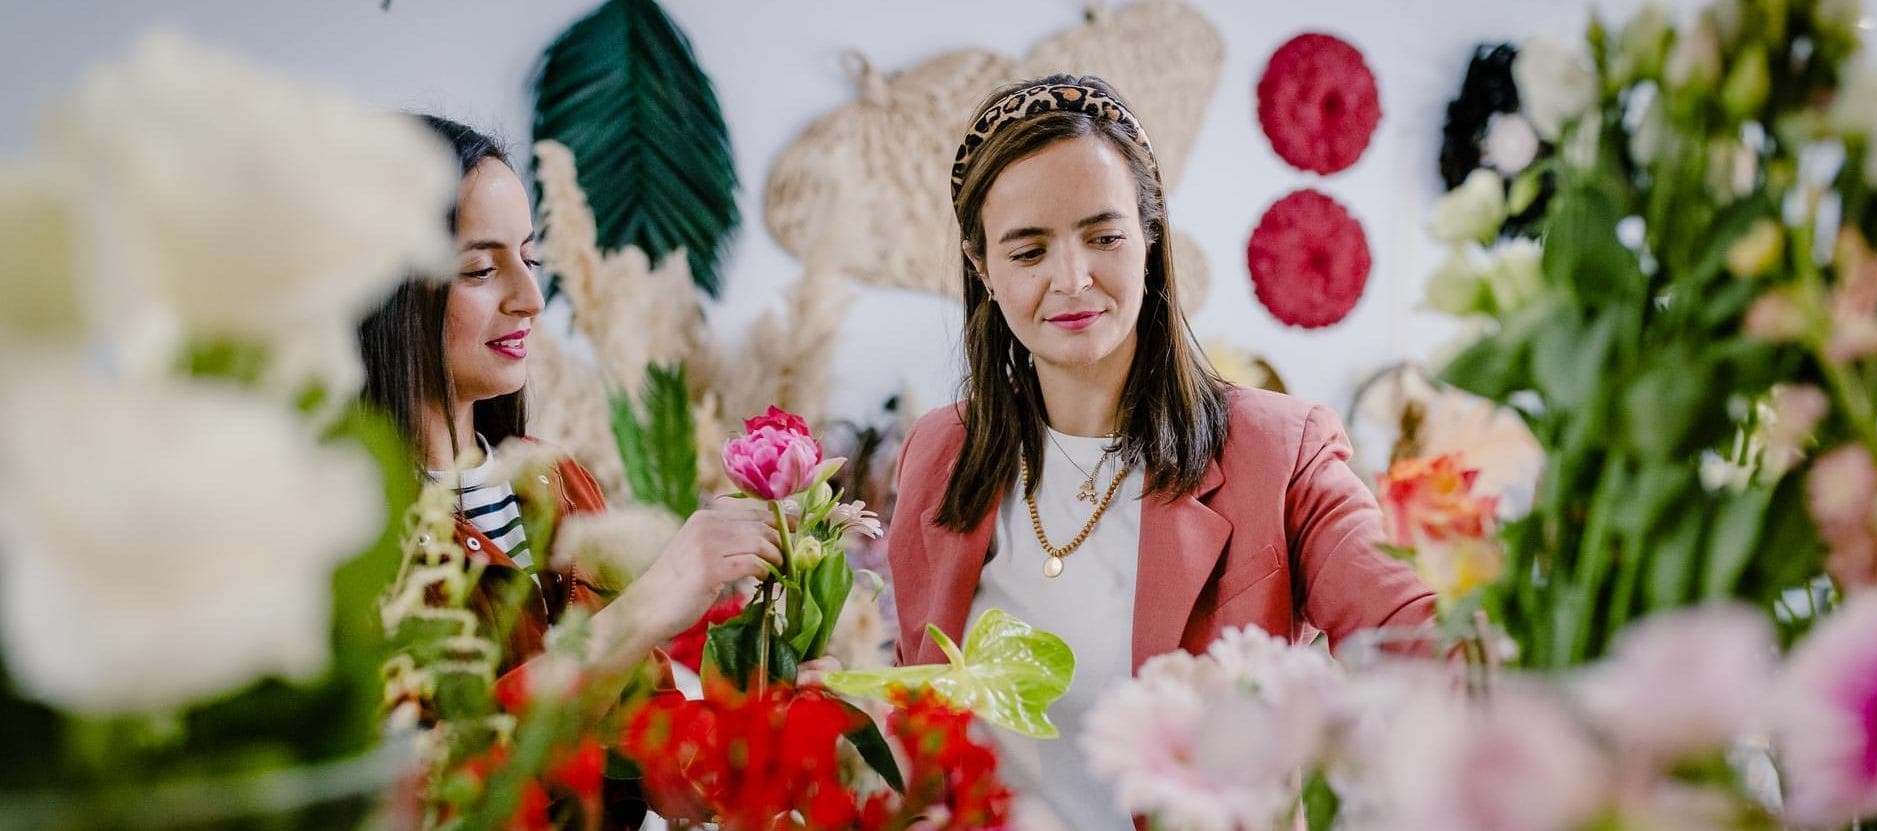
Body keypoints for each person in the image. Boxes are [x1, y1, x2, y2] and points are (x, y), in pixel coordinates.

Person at [884, 76, 1436, 828]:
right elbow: (911, 706)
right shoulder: (936, 450)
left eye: (1104, 236)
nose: (1072, 278)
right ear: (983, 268)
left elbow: (1413, 634)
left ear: (1149, 238)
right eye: (1029, 249)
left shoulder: (1281, 450)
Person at [356, 115, 786, 714]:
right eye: (481, 269)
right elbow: (442, 773)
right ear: (385, 289)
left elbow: (646, 737)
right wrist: (648, 605)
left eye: (529, 259)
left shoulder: (554, 479)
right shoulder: (357, 529)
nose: (530, 299)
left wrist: (759, 724)